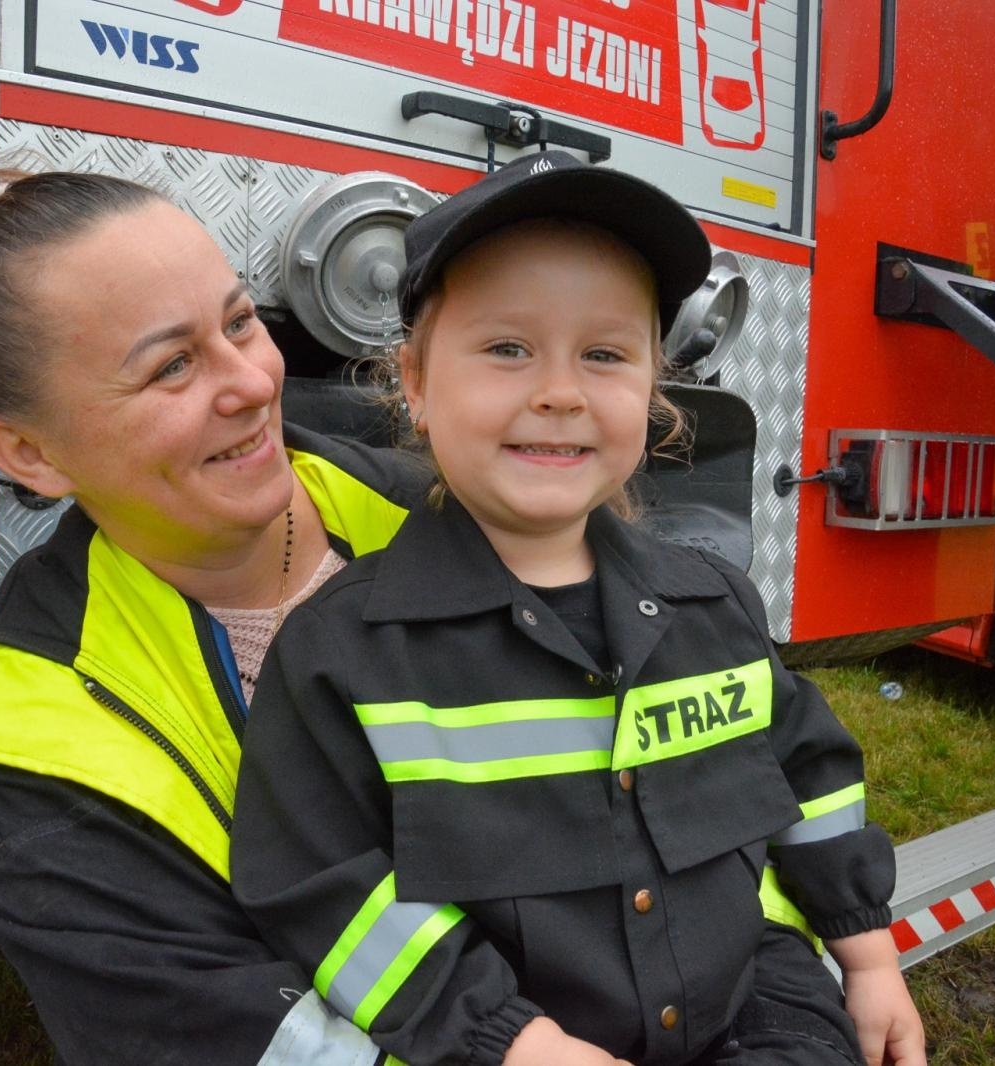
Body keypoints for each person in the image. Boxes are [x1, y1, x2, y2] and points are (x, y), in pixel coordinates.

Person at [230, 151, 927, 1066]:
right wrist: (517, 1043)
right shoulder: (343, 656)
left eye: (603, 354)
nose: (559, 391)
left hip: (755, 1011)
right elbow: (325, 891)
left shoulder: (713, 606)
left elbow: (808, 771)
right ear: (416, 383)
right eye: (507, 348)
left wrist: (867, 956)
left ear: (652, 388)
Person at [0, 158, 435, 1063]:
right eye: (171, 367)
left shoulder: (446, 520)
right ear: (32, 455)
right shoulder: (40, 748)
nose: (250, 384)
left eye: (241, 321)